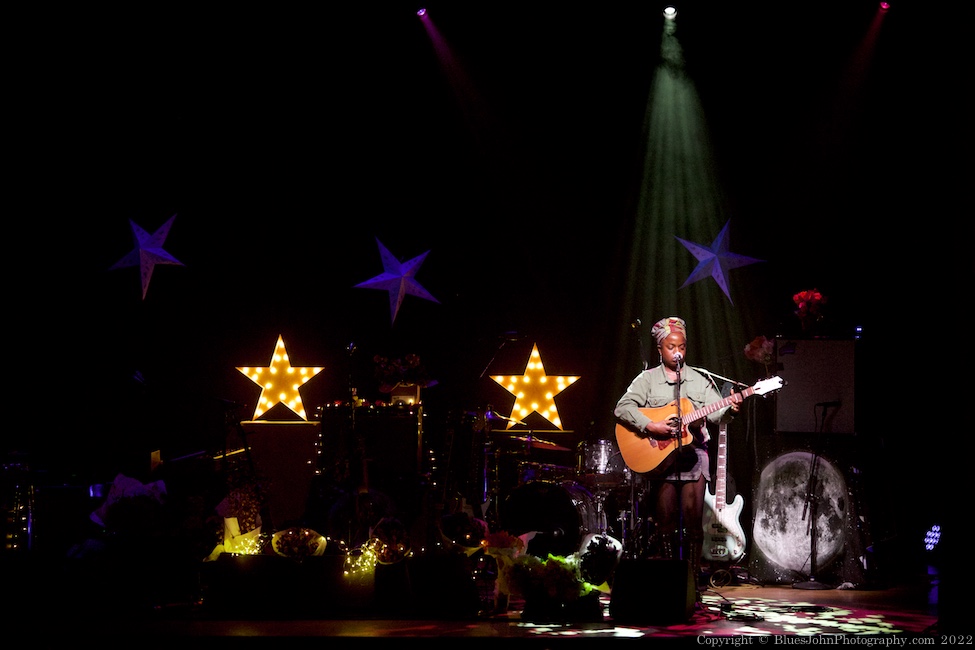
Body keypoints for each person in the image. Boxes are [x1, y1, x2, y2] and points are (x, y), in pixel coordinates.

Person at [614, 316, 739, 588]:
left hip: (694, 456)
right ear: (660, 349)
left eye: (682, 346)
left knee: (694, 521)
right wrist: (652, 425)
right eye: (671, 347)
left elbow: (717, 412)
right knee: (665, 521)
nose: (678, 352)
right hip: (661, 460)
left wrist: (730, 406)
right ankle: (670, 579)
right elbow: (622, 408)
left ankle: (692, 581)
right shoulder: (646, 380)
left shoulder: (699, 379)